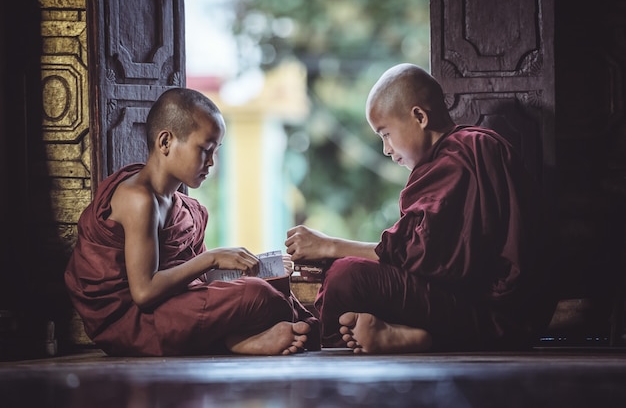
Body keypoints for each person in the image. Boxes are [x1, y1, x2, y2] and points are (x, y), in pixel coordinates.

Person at [285, 63, 556, 354]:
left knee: (347, 275)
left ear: (419, 117)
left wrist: (330, 246)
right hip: (514, 316)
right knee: (349, 274)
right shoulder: (474, 147)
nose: (386, 149)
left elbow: (422, 254)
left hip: (495, 315)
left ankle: (418, 336)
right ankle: (416, 336)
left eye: (385, 134)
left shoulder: (460, 154)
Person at [65, 87, 319, 356]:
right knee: (257, 296)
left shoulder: (185, 208)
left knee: (269, 287)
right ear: (165, 142)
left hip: (175, 305)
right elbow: (144, 292)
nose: (211, 162)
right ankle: (234, 342)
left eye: (216, 151)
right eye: (205, 149)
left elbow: (202, 281)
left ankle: (238, 339)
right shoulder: (138, 199)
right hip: (133, 320)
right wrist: (212, 258)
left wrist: (256, 267)